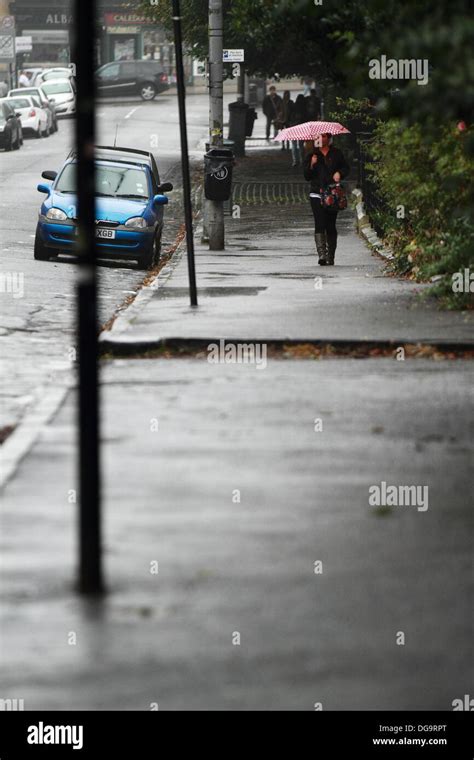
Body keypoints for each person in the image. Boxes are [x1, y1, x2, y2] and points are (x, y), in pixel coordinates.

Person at [303, 133, 349, 265]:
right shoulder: (312, 155)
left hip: (332, 193)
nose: (321, 139)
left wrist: (339, 173)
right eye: (318, 137)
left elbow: (346, 167)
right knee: (319, 223)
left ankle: (331, 255)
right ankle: (322, 254)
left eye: (323, 136)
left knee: (330, 225)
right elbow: (306, 176)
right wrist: (311, 164)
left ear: (328, 138)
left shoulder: (336, 153)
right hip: (316, 193)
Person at [289, 94, 307, 167]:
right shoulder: (304, 108)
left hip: (293, 127)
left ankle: (295, 161)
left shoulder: (294, 107)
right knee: (301, 145)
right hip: (301, 128)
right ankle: (302, 160)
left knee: (293, 145)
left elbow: (290, 116)